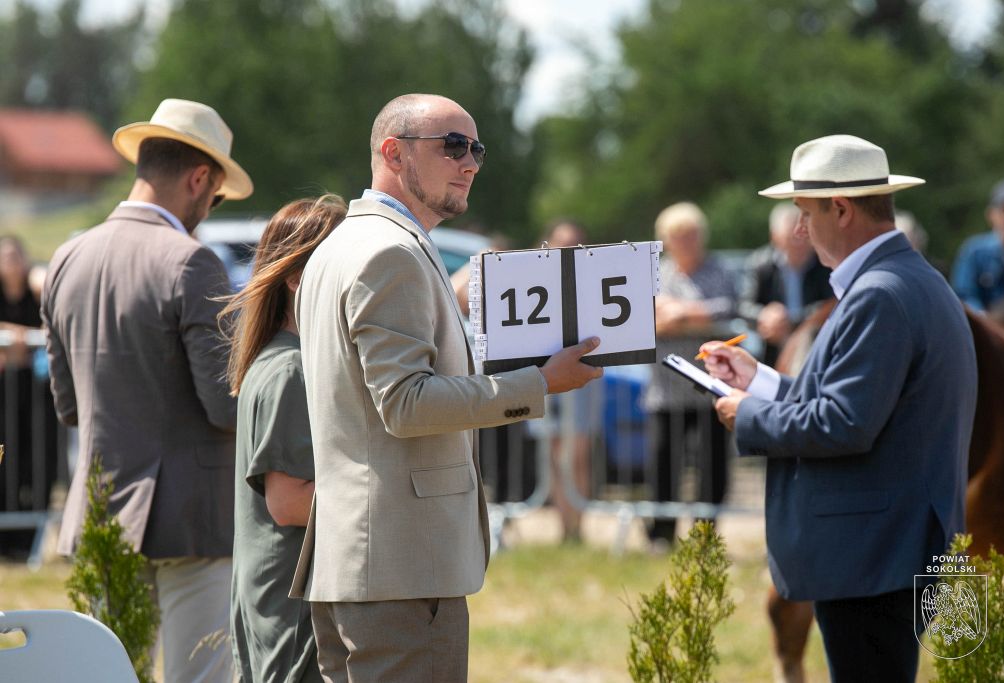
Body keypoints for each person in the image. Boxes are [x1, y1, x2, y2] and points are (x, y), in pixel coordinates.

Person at [290, 93, 602, 683]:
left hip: (364, 562)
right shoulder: (389, 251)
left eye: (477, 149)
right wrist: (539, 382)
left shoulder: (345, 245)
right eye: (453, 146)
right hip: (400, 567)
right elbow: (405, 404)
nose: (470, 164)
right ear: (393, 153)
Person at [701, 134, 976, 682]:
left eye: (806, 214)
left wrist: (744, 414)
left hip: (874, 554)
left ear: (842, 209)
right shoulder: (908, 279)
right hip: (889, 547)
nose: (800, 230)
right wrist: (762, 382)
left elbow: (843, 422)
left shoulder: (879, 292)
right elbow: (856, 403)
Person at [41, 98, 252, 683]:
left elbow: (68, 406)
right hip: (192, 520)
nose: (209, 210)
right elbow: (225, 405)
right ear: (199, 179)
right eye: (216, 198)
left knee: (106, 674)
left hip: (102, 512)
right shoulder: (192, 262)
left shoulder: (65, 257)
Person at [222, 195, 347, 683]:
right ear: (296, 277)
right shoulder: (291, 369)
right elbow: (289, 502)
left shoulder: (285, 358)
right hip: (294, 609)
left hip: (283, 599)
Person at [642, 202, 736, 545]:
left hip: (710, 386)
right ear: (665, 239)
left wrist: (681, 314)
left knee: (712, 464)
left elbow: (728, 307)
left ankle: (705, 534)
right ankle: (661, 534)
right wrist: (692, 316)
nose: (685, 241)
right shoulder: (655, 273)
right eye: (678, 235)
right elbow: (645, 314)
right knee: (663, 462)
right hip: (666, 388)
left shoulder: (719, 271)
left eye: (691, 234)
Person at [535, 219, 604, 542]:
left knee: (577, 452)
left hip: (581, 374)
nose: (568, 250)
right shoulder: (533, 279)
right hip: (545, 373)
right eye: (562, 244)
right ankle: (565, 526)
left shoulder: (593, 279)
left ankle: (578, 526)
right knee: (552, 450)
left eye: (575, 244)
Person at [0, 235, 58, 558]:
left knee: (36, 466)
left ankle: (27, 545)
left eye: (15, 256)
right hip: (4, 398)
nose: (10, 262)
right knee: (4, 463)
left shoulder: (36, 292)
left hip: (36, 397)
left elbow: (53, 295)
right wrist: (12, 333)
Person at [739, 203, 832, 367]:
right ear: (774, 237)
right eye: (791, 238)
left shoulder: (825, 264)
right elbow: (744, 306)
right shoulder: (759, 264)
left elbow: (831, 303)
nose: (798, 243)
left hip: (814, 342)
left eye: (803, 236)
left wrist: (790, 321)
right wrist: (765, 316)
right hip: (769, 345)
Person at [951, 177, 1004, 312]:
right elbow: (964, 296)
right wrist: (986, 320)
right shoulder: (975, 252)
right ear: (991, 215)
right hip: (992, 321)